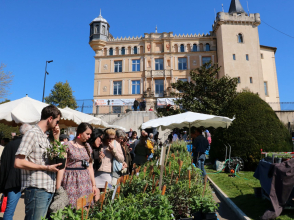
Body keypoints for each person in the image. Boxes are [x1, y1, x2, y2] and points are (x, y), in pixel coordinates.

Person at [15, 105, 62, 220]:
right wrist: (46, 167)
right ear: (50, 119)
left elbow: (55, 158)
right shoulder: (32, 134)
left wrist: (56, 138)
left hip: (47, 188)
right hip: (37, 189)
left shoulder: (45, 137)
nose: (57, 125)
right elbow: (18, 162)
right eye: (57, 121)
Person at [57, 123, 98, 208]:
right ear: (80, 132)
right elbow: (62, 167)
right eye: (87, 134)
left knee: (85, 207)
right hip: (71, 181)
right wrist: (58, 186)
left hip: (86, 181)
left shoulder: (88, 146)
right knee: (70, 208)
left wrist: (94, 185)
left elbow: (90, 167)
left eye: (90, 134)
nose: (89, 136)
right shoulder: (67, 145)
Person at [0, 124, 32, 220]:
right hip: (29, 179)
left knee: (9, 210)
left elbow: (3, 165)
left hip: (12, 181)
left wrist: (3, 183)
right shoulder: (30, 144)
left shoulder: (9, 145)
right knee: (31, 210)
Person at [88, 129, 104, 201]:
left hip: (91, 178)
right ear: (95, 136)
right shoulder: (86, 147)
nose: (101, 142)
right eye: (100, 138)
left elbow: (95, 167)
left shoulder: (96, 149)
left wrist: (99, 159)